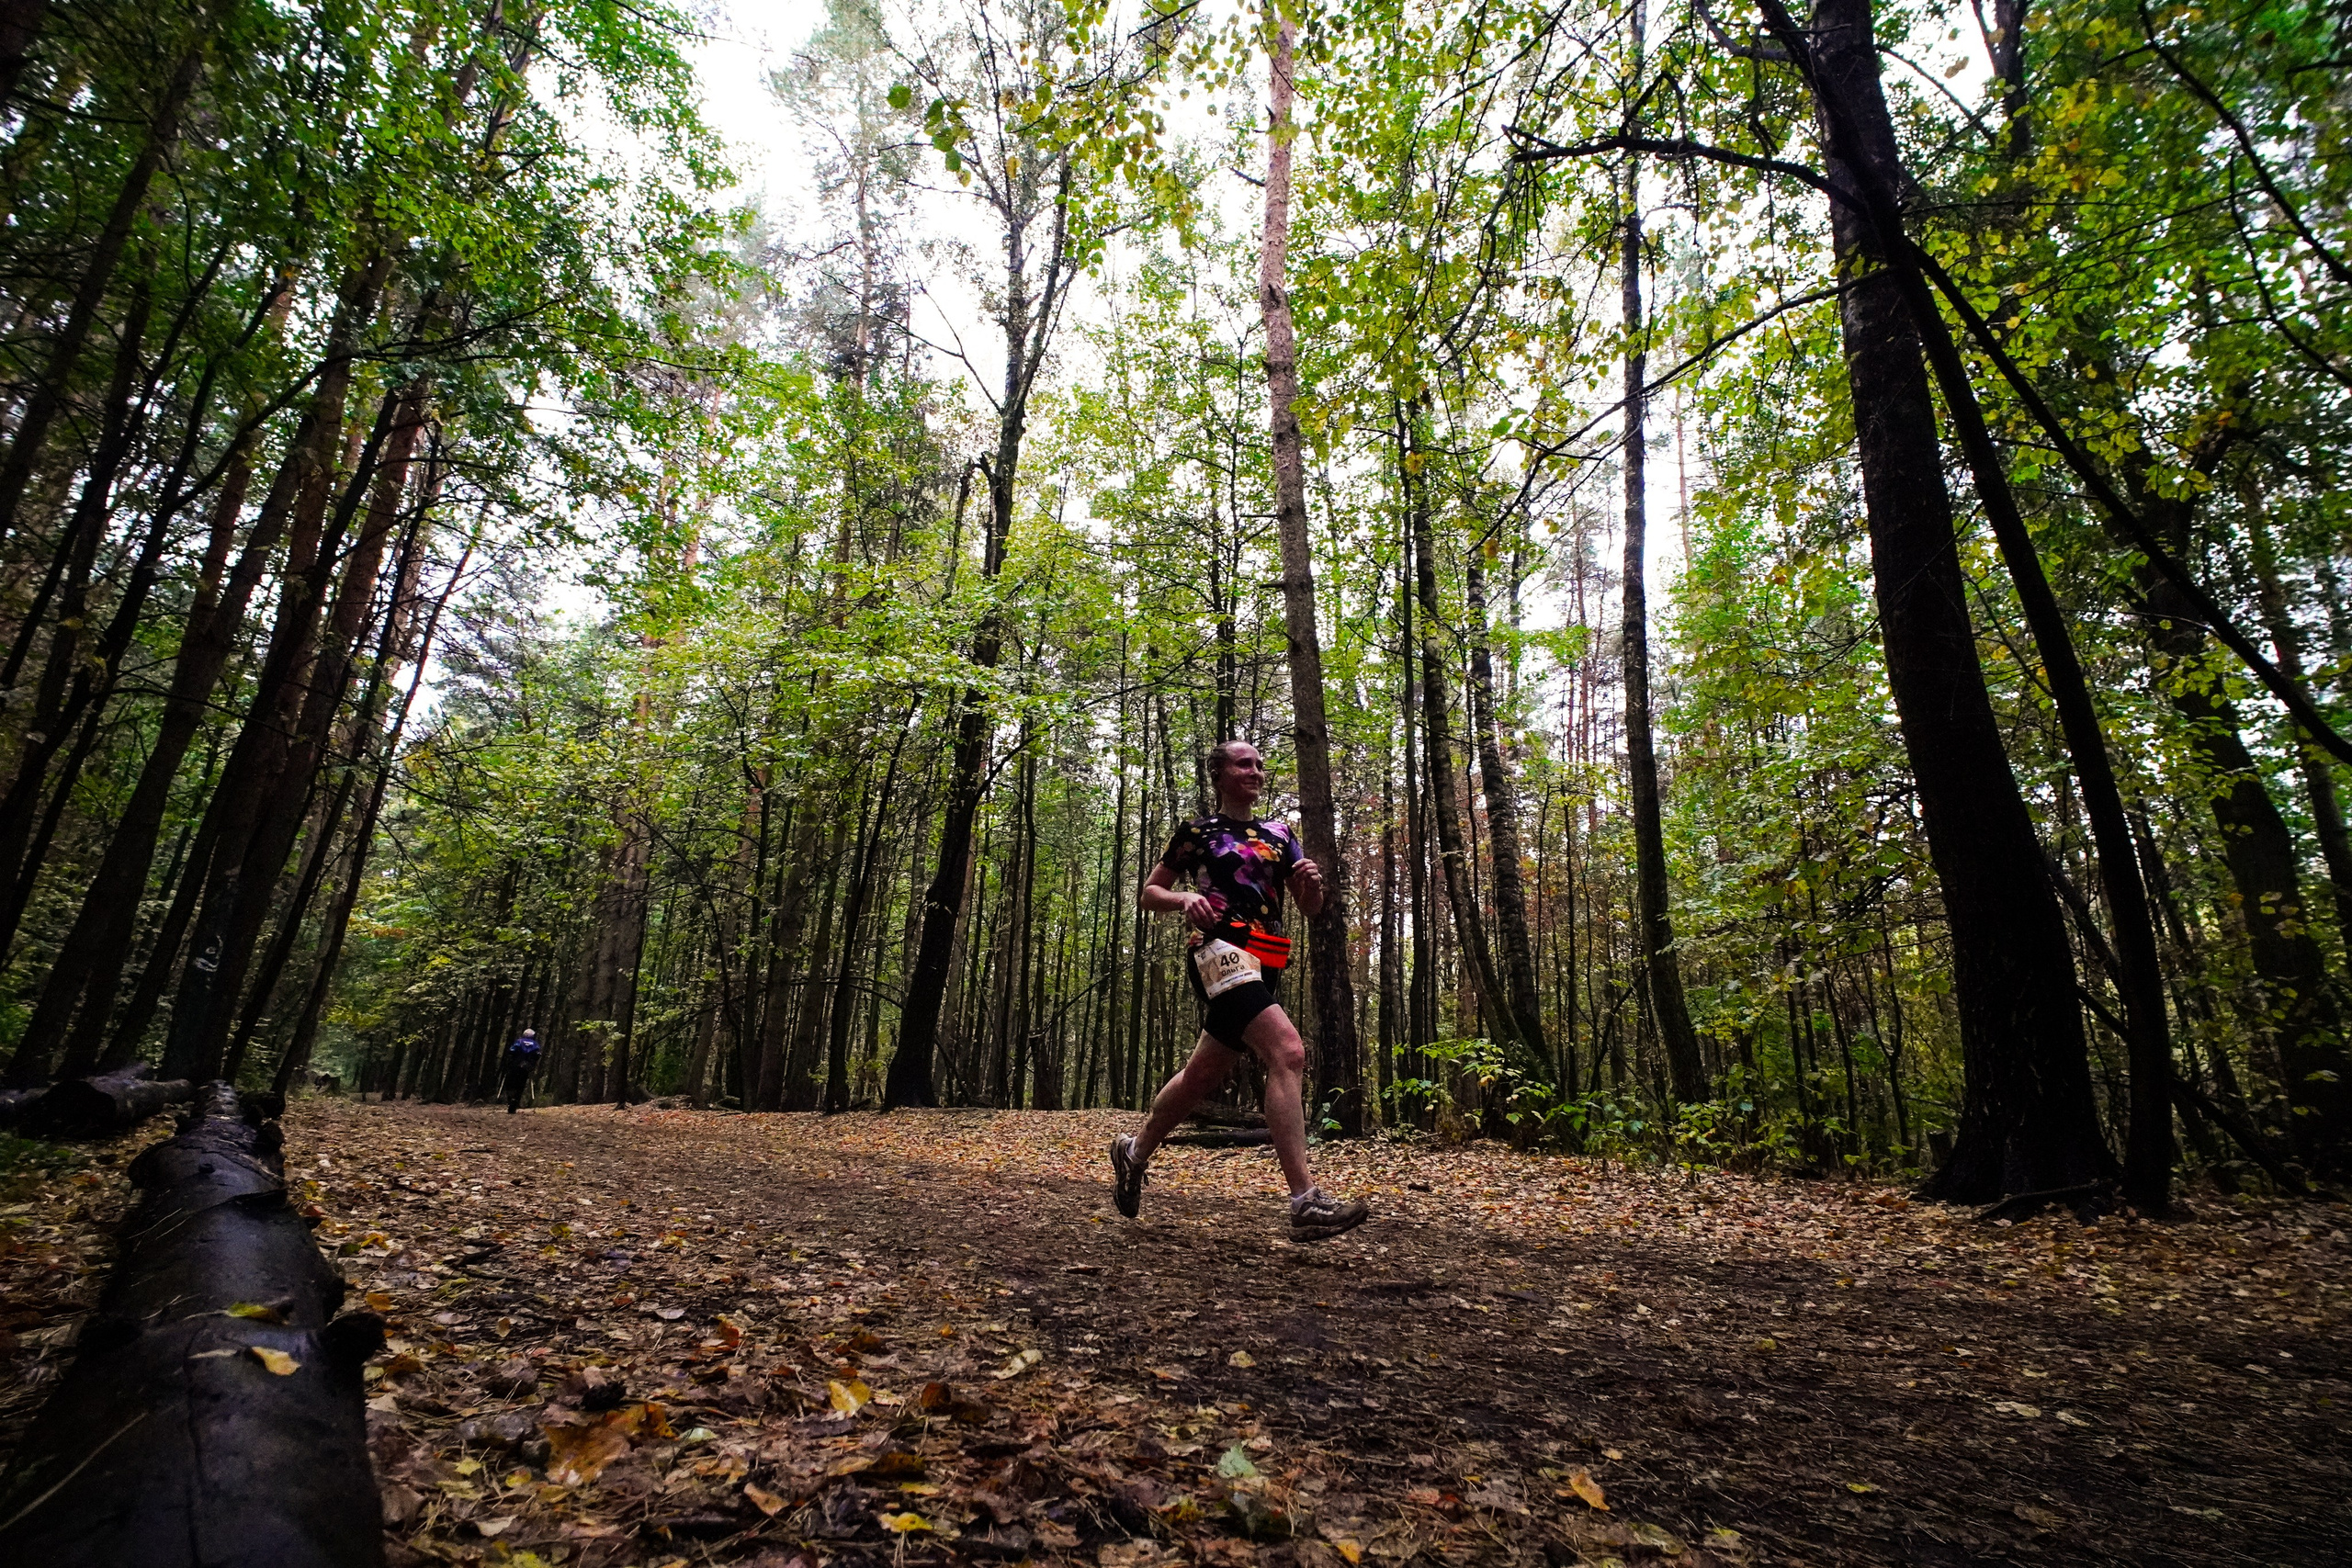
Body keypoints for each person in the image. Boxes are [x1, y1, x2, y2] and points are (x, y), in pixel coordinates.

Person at [1111, 740, 1370, 1243]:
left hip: (1267, 957)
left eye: (1258, 764)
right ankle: (1305, 1201)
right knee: (1288, 1051)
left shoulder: (1279, 833)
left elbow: (1311, 907)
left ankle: (1133, 1152)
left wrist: (1312, 885)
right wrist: (1185, 896)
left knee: (1199, 1075)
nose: (1255, 771)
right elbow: (1150, 893)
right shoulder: (1197, 833)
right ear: (1220, 774)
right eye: (1243, 764)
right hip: (1217, 950)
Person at [502, 1029, 541, 1114]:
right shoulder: (535, 1044)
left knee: (510, 1083)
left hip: (515, 1065)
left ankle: (511, 1100)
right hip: (526, 1068)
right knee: (521, 1084)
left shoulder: (518, 1041)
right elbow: (537, 1055)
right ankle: (515, 1101)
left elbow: (511, 1051)